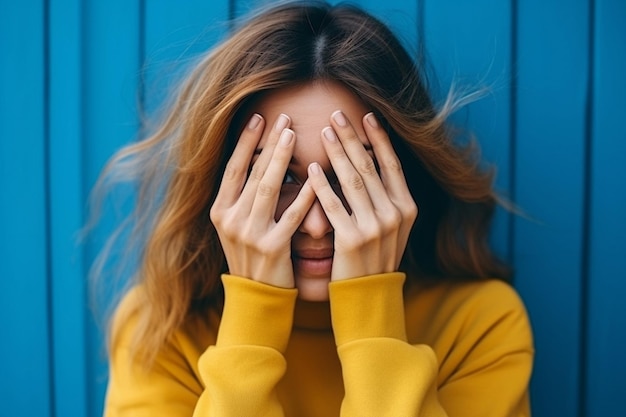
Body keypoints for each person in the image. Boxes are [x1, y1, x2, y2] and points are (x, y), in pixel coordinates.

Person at [98, 1, 534, 416]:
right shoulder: (158, 330)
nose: (317, 224)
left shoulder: (480, 324)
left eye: (351, 175)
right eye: (281, 177)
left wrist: (373, 315)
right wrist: (252, 320)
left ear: (402, 176)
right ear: (222, 182)